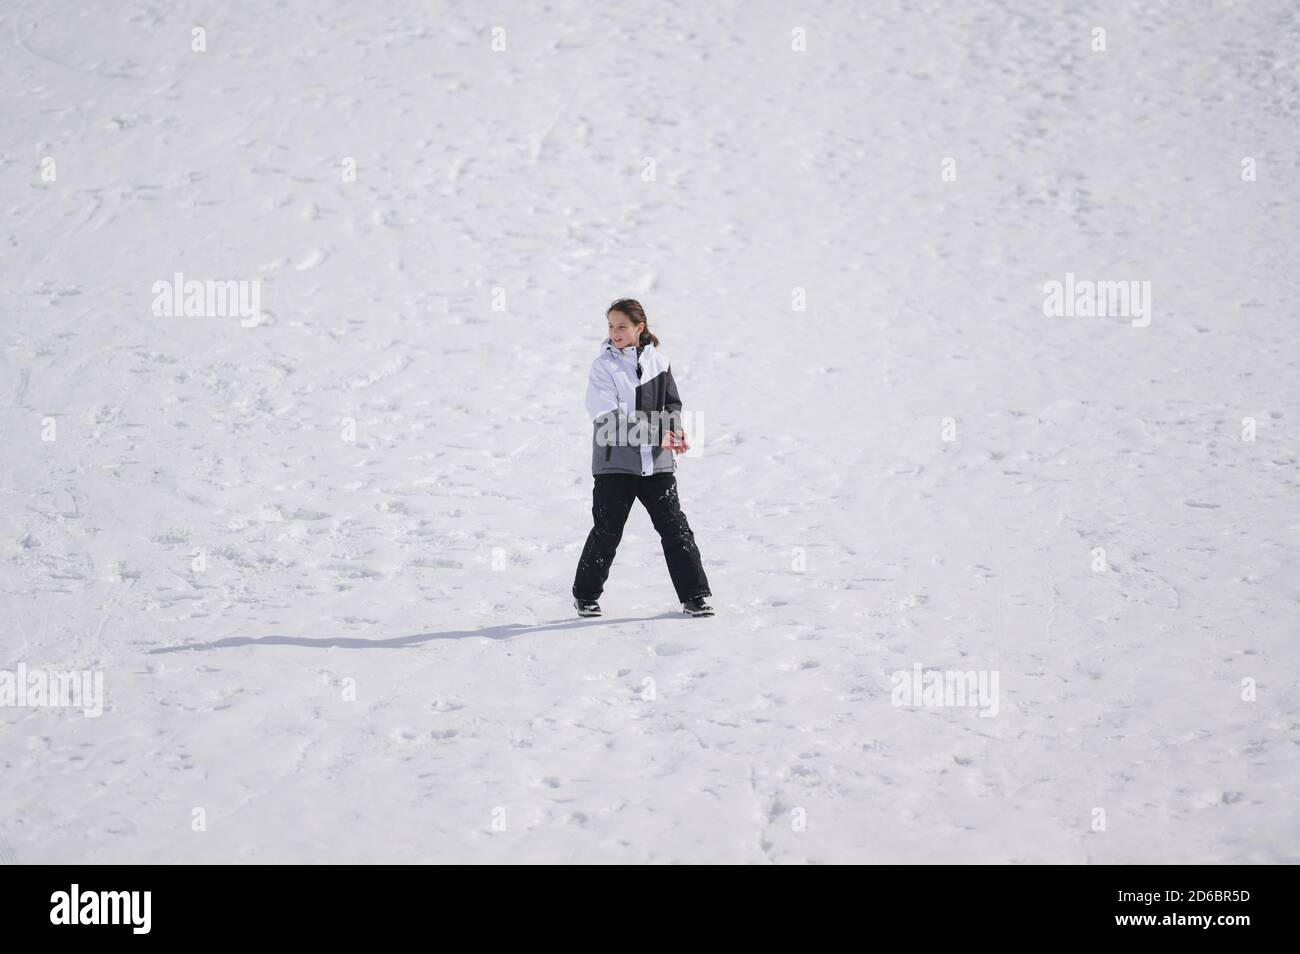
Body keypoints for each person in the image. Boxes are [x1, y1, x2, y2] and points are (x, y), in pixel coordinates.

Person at [572, 299, 714, 618]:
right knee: (607, 531)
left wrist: (674, 433)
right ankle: (585, 595)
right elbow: (606, 416)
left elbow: (672, 404)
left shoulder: (659, 363)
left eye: (622, 326)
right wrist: (656, 434)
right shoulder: (603, 367)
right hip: (615, 465)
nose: (615, 332)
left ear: (640, 327)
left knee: (677, 530)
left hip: (658, 464)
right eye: (610, 326)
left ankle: (695, 596)